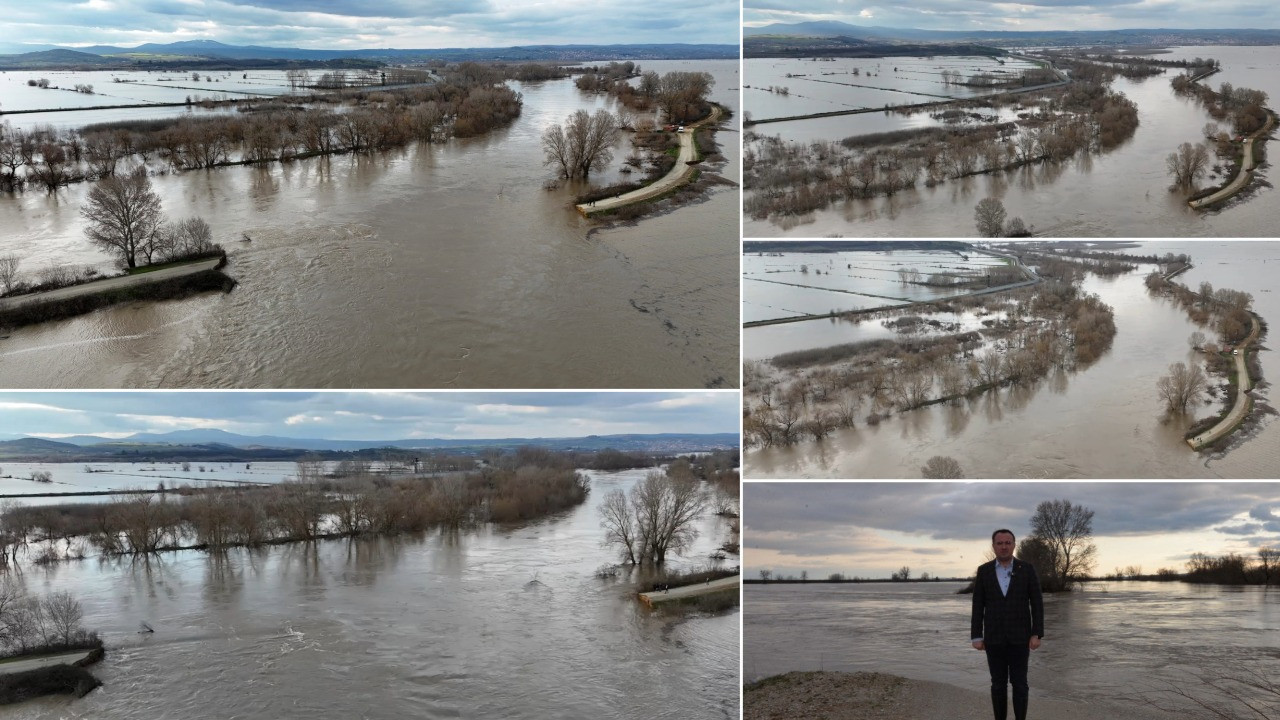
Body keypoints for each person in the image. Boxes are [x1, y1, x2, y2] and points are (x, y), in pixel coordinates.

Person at [971, 528, 1044, 720]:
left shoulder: (1026, 569)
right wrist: (976, 636)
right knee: (998, 685)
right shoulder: (984, 571)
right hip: (993, 638)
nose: (1004, 547)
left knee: (1020, 684)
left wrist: (1037, 633)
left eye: (1007, 543)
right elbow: (978, 605)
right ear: (993, 546)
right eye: (1000, 543)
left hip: (1020, 638)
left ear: (1014, 545)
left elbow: (1037, 603)